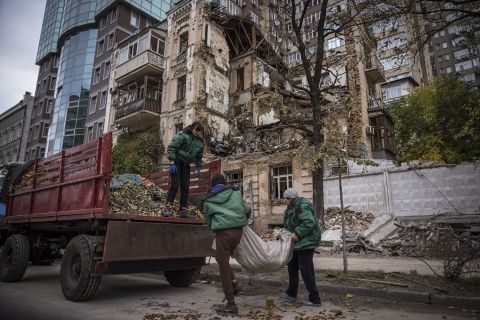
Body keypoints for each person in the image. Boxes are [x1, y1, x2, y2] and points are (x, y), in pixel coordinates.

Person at [202, 173, 251, 315]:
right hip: (238, 232)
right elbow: (247, 210)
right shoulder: (235, 193)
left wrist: (215, 228)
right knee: (220, 258)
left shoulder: (208, 200)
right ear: (224, 183)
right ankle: (234, 284)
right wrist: (240, 220)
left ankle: (231, 305)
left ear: (213, 184)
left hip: (223, 234)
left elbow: (208, 219)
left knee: (222, 267)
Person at [279, 187, 322, 307]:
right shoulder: (291, 208)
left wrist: (297, 233)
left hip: (307, 242)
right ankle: (291, 293)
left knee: (306, 270)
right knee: (292, 267)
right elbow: (289, 224)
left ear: (291, 198)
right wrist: (283, 233)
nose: (285, 201)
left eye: (286, 199)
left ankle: (315, 298)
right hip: (298, 242)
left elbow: (309, 223)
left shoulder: (301, 207)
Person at [164, 121, 204, 218]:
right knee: (175, 185)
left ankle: (183, 210)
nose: (197, 133)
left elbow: (199, 155)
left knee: (185, 187)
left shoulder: (200, 141)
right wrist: (172, 162)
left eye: (199, 131)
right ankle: (168, 208)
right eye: (196, 130)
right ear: (192, 128)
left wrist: (198, 166)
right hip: (177, 162)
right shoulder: (182, 135)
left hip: (186, 165)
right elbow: (171, 147)